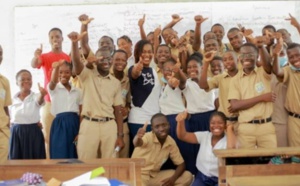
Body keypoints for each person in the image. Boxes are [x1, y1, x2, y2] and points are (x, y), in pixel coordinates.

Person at [69, 31, 124, 159]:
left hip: (109, 125)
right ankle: (88, 180)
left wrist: (120, 135)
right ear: (95, 60)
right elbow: (77, 64)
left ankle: (106, 180)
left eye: (109, 58)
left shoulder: (115, 82)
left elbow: (118, 111)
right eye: (102, 58)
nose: (106, 61)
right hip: (89, 124)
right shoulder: (87, 75)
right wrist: (74, 43)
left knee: (110, 163)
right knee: (85, 161)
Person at [31, 27, 70, 158]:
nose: (55, 39)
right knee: (48, 137)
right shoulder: (45, 56)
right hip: (48, 102)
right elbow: (34, 64)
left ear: (62, 39)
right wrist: (36, 56)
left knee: (64, 136)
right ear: (49, 40)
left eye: (57, 36)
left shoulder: (66, 57)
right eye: (52, 37)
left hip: (64, 103)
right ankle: (49, 162)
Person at [228, 43, 277, 149]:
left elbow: (268, 65)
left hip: (266, 126)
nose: (246, 57)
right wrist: (262, 98)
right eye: (243, 55)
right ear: (239, 57)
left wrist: (261, 46)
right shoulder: (235, 80)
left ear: (257, 56)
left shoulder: (263, 72)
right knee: (246, 162)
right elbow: (235, 105)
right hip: (246, 128)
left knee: (271, 161)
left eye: (250, 54)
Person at [176, 110, 236, 186]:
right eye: (213, 123)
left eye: (220, 123)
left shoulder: (230, 139)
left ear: (225, 125)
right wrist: (180, 121)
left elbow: (231, 150)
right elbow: (183, 136)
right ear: (209, 125)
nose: (216, 126)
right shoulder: (204, 136)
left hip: (221, 178)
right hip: (202, 177)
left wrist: (229, 128)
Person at [131, 113, 193, 186]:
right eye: (157, 127)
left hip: (154, 176)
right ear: (152, 129)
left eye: (164, 125)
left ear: (169, 125)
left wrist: (172, 179)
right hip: (138, 175)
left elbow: (181, 164)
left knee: (187, 176)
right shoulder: (147, 137)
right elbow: (137, 143)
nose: (161, 129)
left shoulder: (170, 142)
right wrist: (138, 137)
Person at [180, 52, 216, 174]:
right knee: (194, 149)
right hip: (193, 119)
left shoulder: (211, 81)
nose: (192, 69)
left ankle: (211, 174)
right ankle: (195, 176)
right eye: (189, 67)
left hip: (210, 117)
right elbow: (181, 81)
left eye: (195, 66)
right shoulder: (186, 83)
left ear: (202, 67)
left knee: (210, 147)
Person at [128, 39, 161, 155]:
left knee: (153, 156)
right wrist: (137, 68)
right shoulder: (133, 68)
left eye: (149, 52)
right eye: (143, 52)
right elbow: (134, 73)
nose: (147, 55)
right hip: (139, 120)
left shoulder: (154, 70)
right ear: (137, 53)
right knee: (141, 155)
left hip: (154, 120)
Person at [9, 70, 46, 159]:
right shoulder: (12, 99)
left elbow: (39, 101)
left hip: (33, 132)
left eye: (29, 79)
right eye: (22, 79)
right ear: (17, 82)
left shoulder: (36, 96)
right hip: (16, 133)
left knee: (35, 161)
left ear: (32, 81)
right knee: (16, 161)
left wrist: (42, 94)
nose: (26, 81)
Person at [48, 60, 82, 159]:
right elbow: (53, 81)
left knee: (74, 153)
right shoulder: (54, 89)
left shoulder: (78, 91)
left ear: (71, 73)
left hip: (74, 124)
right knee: (59, 153)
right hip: (59, 125)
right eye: (60, 72)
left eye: (67, 72)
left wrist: (80, 132)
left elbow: (81, 112)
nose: (64, 75)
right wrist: (56, 67)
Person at [199, 50, 239, 131]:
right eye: (225, 60)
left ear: (237, 60)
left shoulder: (244, 76)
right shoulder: (220, 78)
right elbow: (203, 85)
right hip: (226, 121)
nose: (227, 62)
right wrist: (206, 63)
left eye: (231, 59)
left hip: (242, 121)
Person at [272, 42, 300, 147]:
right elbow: (277, 72)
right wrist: (276, 55)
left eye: (298, 55)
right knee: (296, 155)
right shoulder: (289, 71)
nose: (295, 59)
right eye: (291, 57)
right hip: (295, 120)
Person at [110, 49, 131, 158]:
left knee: (124, 158)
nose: (120, 62)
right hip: (109, 124)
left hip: (123, 124)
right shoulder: (106, 77)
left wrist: (127, 109)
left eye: (123, 60)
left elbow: (129, 102)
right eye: (117, 59)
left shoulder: (127, 81)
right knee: (111, 158)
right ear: (112, 60)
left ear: (126, 63)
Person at [0, 45, 12, 163]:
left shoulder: (4, 81)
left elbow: (6, 106)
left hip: (2, 132)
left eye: (1, 53)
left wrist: (8, 125)